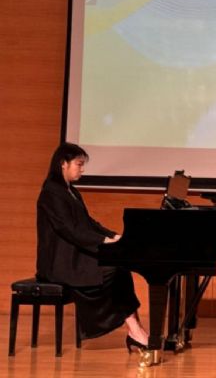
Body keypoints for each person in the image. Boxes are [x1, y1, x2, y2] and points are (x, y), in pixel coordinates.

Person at [36, 142, 149, 351]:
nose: (82, 170)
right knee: (114, 270)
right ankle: (135, 330)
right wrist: (103, 241)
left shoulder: (71, 191)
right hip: (60, 262)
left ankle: (136, 329)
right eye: (79, 164)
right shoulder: (51, 193)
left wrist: (113, 235)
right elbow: (69, 229)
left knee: (121, 268)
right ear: (63, 163)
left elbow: (88, 223)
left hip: (73, 256)